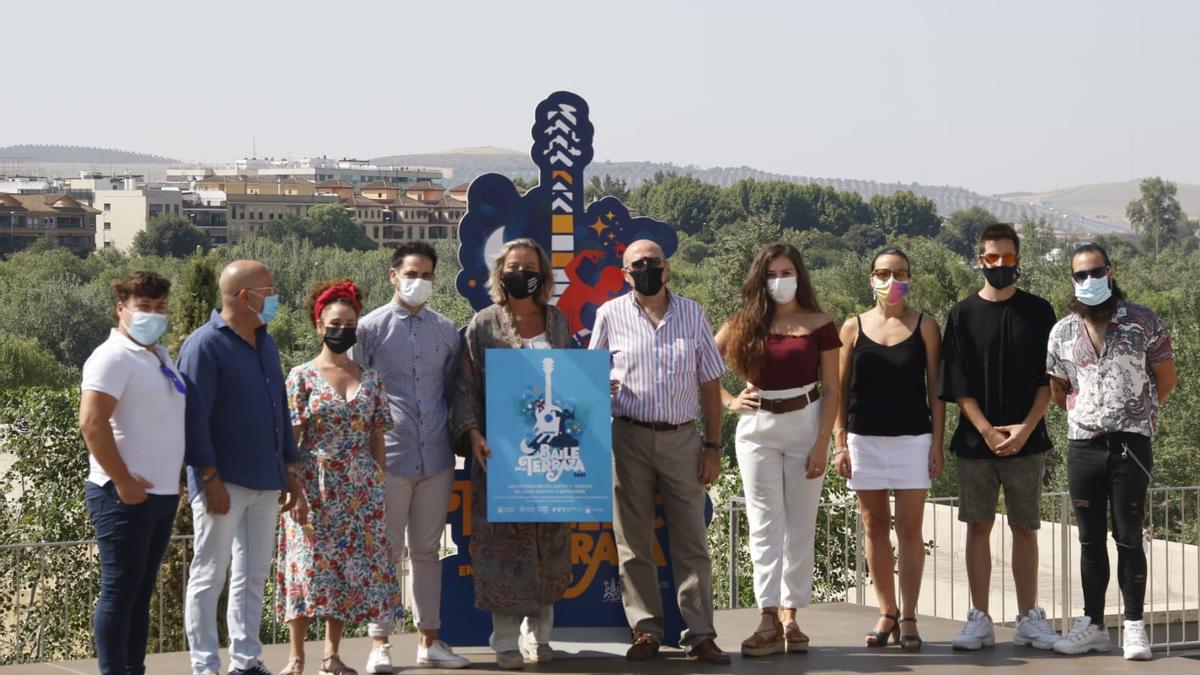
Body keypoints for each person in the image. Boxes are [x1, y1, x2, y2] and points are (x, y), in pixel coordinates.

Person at [589, 239, 731, 665]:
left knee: (691, 539)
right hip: (627, 436)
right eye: (637, 265)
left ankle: (701, 634)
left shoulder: (692, 312)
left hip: (683, 440)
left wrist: (712, 446)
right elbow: (587, 377)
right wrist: (599, 385)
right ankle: (646, 631)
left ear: (666, 268)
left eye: (653, 262)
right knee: (632, 541)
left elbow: (710, 384)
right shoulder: (609, 315)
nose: (646, 269)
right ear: (624, 273)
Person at [1048, 243, 1176, 660]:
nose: (1088, 281)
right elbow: (1058, 388)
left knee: (1128, 536)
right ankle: (1094, 625)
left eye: (1095, 272)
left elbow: (1166, 377)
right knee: (1089, 541)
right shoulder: (1063, 331)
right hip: (1083, 445)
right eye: (1080, 275)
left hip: (1130, 444)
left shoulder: (1143, 321)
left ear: (1111, 271)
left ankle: (1135, 626)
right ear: (1072, 279)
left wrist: (1139, 411)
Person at [451, 238, 574, 670]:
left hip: (553, 462)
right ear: (500, 274)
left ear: (543, 275)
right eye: (513, 265)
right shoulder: (482, 325)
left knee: (548, 545)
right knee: (502, 547)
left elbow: (575, 384)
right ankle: (504, 641)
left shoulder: (558, 323)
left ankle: (539, 638)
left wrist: (597, 390)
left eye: (530, 265)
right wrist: (472, 433)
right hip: (500, 458)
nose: (522, 272)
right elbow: (463, 388)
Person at [714, 242, 840, 656]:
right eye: (771, 274)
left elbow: (834, 388)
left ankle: (792, 614)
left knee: (801, 526)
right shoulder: (743, 323)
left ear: (800, 275)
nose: (780, 282)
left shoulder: (820, 323)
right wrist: (730, 401)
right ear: (759, 279)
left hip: (806, 424)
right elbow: (704, 363)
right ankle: (767, 615)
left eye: (787, 273)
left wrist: (824, 442)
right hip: (756, 430)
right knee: (764, 525)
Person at [179, 260, 304, 675]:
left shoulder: (265, 342)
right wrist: (207, 476)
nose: (274, 296)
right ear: (242, 296)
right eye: (267, 289)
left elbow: (279, 411)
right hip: (222, 483)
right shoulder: (204, 346)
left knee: (252, 578)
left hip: (266, 482)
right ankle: (204, 665)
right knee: (209, 574)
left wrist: (289, 465)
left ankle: (247, 660)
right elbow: (193, 419)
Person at [940, 224, 1061, 652]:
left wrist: (1026, 428)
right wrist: (987, 430)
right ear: (980, 259)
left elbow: (1050, 378)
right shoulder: (961, 314)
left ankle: (1029, 618)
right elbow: (956, 383)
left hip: (1028, 440)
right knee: (978, 527)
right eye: (993, 258)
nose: (1000, 266)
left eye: (1008, 258)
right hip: (976, 443)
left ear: (1018, 261)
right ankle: (979, 618)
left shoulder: (1040, 311)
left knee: (1025, 528)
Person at [276, 280, 404, 675]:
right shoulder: (300, 377)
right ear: (319, 325)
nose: (342, 329)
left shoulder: (370, 378)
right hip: (312, 487)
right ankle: (297, 658)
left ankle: (332, 655)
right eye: (334, 322)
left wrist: (378, 479)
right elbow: (290, 441)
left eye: (349, 322)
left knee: (347, 572)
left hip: (360, 490)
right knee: (305, 568)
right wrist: (293, 490)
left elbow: (378, 435)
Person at [353, 243, 469, 672]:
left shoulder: (445, 330)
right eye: (411, 273)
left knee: (426, 551)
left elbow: (454, 389)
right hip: (388, 458)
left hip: (436, 457)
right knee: (385, 551)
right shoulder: (369, 329)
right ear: (393, 275)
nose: (418, 282)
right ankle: (380, 642)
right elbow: (356, 392)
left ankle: (429, 641)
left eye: (426, 275)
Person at [833, 246, 944, 651]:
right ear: (871, 278)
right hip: (863, 439)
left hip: (914, 439)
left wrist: (937, 442)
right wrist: (839, 441)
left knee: (910, 529)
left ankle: (910, 615)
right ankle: (887, 611)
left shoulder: (926, 326)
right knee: (874, 526)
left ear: (910, 276)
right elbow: (838, 390)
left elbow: (937, 390)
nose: (891, 280)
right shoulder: (851, 327)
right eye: (883, 273)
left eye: (899, 273)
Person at [79, 271, 186, 675]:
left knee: (141, 593)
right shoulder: (112, 357)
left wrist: (170, 480)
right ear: (121, 309)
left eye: (160, 308)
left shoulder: (159, 355)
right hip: (120, 494)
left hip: (157, 494)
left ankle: (132, 669)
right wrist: (123, 479)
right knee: (119, 591)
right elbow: (92, 422)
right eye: (144, 307)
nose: (153, 316)